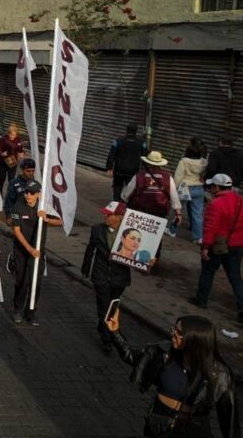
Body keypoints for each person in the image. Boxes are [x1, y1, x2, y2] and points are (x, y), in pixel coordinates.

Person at [105, 311, 238, 438]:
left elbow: (229, 420)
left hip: (192, 429)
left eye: (179, 333)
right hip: (159, 422)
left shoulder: (220, 374)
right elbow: (132, 357)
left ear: (195, 339)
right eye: (174, 329)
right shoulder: (163, 351)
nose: (173, 334)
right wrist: (115, 331)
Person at [189, 174, 243, 325]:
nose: (211, 189)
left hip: (218, 245)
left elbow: (211, 228)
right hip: (237, 246)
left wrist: (205, 246)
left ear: (217, 187)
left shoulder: (215, 204)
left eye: (212, 186)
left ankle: (201, 299)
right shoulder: (240, 200)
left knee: (208, 271)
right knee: (235, 278)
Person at [8, 180, 62, 326]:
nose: (28, 196)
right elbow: (16, 230)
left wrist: (46, 218)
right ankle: (17, 310)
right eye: (26, 192)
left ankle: (31, 312)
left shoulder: (44, 207)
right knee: (22, 282)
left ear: (38, 194)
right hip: (22, 251)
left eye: (32, 193)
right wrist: (29, 248)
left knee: (35, 283)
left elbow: (61, 222)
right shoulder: (18, 207)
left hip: (38, 252)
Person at [82, 201, 132, 350]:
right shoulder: (97, 229)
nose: (106, 217)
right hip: (101, 275)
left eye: (109, 215)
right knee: (103, 305)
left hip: (119, 278)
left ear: (120, 217)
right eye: (105, 214)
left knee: (112, 306)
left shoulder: (130, 233)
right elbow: (91, 249)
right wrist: (86, 267)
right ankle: (107, 338)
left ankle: (104, 326)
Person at [123, 151, 182, 233]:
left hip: (139, 212)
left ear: (147, 163)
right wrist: (178, 214)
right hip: (160, 213)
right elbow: (174, 198)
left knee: (137, 233)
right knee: (155, 237)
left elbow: (126, 194)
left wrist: (124, 200)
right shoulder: (168, 178)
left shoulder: (139, 176)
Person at [173, 138, 209, 243]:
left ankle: (172, 230)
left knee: (178, 211)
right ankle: (198, 237)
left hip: (185, 188)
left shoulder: (183, 162)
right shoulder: (204, 162)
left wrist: (174, 188)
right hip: (198, 188)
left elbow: (178, 176)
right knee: (197, 215)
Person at [106, 124, 148, 201]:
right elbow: (145, 156)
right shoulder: (142, 143)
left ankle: (117, 203)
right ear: (136, 131)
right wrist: (146, 169)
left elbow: (111, 155)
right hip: (133, 171)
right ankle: (128, 205)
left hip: (119, 170)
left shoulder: (118, 141)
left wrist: (109, 168)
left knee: (117, 186)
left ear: (126, 130)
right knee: (131, 188)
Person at [0, 124, 24, 194]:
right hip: (2, 161)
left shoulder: (17, 139)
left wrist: (21, 153)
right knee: (2, 177)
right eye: (12, 135)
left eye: (14, 135)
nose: (13, 137)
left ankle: (10, 194)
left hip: (12, 161)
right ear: (8, 133)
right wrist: (2, 153)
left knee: (11, 179)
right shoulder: (3, 139)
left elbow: (20, 149)